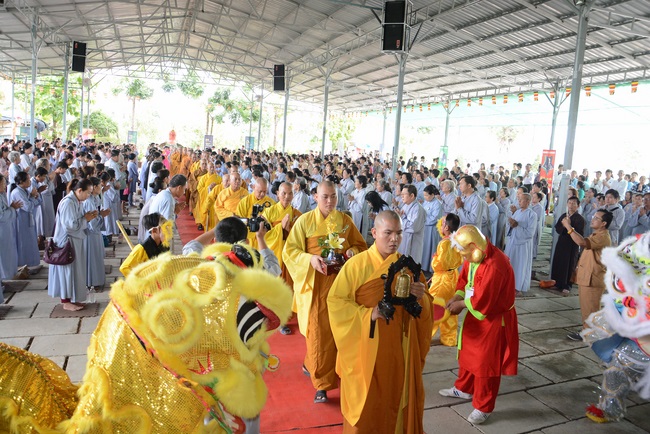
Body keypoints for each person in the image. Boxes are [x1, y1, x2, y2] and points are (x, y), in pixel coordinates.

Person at [327, 211, 433, 432]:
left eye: (399, 233)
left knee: (396, 397)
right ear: (374, 232)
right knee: (367, 407)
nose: (394, 239)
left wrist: (420, 296)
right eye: (388, 233)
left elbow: (424, 310)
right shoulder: (356, 265)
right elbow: (336, 302)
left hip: (399, 348)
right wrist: (368, 315)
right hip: (365, 348)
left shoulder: (408, 267)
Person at [283, 181, 367, 404]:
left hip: (342, 285)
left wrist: (351, 251)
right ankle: (322, 384)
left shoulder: (345, 221)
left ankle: (326, 367)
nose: (330, 201)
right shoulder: (305, 221)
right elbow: (290, 251)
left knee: (341, 331)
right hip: (317, 286)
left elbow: (361, 246)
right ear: (315, 197)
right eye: (325, 197)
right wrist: (310, 259)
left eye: (333, 197)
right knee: (319, 333)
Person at [439, 225, 518, 425]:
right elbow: (464, 280)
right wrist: (457, 296)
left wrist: (460, 305)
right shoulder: (474, 255)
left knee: (486, 363)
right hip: (475, 312)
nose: (464, 258)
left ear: (474, 246)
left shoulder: (495, 265)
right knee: (467, 350)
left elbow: (485, 300)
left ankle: (484, 406)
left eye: (465, 253)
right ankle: (464, 388)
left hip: (493, 318)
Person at [563, 209, 613, 341]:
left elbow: (581, 242)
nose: (593, 219)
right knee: (587, 307)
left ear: (604, 223)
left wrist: (568, 227)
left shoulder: (603, 237)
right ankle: (589, 331)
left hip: (593, 278)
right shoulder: (597, 234)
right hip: (587, 276)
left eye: (596, 218)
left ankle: (590, 333)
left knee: (591, 308)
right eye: (593, 216)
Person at [48, 179, 96, 311]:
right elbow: (70, 226)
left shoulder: (77, 201)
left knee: (75, 270)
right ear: (79, 190)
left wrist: (87, 217)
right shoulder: (68, 203)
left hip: (75, 240)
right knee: (67, 271)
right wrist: (86, 219)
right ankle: (66, 301)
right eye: (88, 193)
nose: (88, 196)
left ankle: (74, 298)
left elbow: (77, 221)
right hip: (66, 241)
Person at [428, 213, 462, 346]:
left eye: (442, 224)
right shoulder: (456, 240)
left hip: (442, 280)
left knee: (434, 307)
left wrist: (434, 259)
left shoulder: (444, 243)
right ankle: (449, 338)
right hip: (453, 277)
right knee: (450, 308)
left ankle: (424, 335)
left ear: (446, 227)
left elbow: (439, 264)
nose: (440, 226)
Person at [549, 197, 585, 294]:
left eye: (574, 203)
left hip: (572, 244)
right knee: (559, 261)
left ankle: (567, 285)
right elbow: (557, 228)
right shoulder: (564, 215)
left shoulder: (580, 219)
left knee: (569, 264)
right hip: (562, 242)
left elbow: (580, 233)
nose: (571, 205)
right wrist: (564, 225)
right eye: (569, 203)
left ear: (578, 206)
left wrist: (569, 225)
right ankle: (557, 283)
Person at [504, 193, 537, 295]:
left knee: (520, 265)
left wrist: (517, 226)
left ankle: (517, 287)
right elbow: (510, 226)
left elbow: (530, 233)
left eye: (521, 200)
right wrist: (510, 223)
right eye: (519, 199)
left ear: (528, 201)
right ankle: (508, 284)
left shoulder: (532, 215)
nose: (519, 201)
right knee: (510, 263)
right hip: (512, 242)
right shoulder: (517, 212)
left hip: (522, 245)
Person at [10, 171, 42, 270]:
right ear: (22, 182)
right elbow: (27, 207)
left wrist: (35, 197)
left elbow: (38, 202)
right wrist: (32, 197)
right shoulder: (17, 192)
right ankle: (24, 264)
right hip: (21, 221)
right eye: (28, 180)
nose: (30, 181)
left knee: (31, 241)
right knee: (24, 243)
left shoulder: (25, 191)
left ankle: (32, 263)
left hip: (28, 219)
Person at [84, 177, 110, 291]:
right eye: (100, 186)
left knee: (96, 256)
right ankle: (92, 281)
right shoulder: (89, 201)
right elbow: (92, 223)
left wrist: (100, 214)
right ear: (94, 187)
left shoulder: (94, 198)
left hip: (95, 233)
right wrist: (101, 215)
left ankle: (96, 280)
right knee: (92, 258)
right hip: (91, 234)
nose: (101, 187)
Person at [235, 177, 276, 248]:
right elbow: (239, 222)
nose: (262, 194)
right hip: (248, 239)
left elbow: (274, 224)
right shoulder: (245, 201)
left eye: (265, 191)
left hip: (265, 240)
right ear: (254, 187)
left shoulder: (271, 203)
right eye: (260, 191)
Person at [0, 175, 19, 301]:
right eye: (2, 183)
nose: (4, 186)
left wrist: (11, 208)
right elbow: (1, 216)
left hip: (6, 229)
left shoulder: (2, 195)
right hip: (2, 230)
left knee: (6, 255)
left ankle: (2, 280)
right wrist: (12, 209)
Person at [397, 184, 426, 264]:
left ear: (412, 195)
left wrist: (402, 218)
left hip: (413, 243)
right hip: (404, 239)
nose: (402, 196)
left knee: (411, 265)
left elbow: (413, 227)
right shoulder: (405, 205)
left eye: (404, 194)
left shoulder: (418, 209)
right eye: (401, 194)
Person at [421, 185, 442, 274]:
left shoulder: (437, 204)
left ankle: (430, 267)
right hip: (425, 228)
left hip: (432, 229)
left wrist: (423, 220)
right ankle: (423, 265)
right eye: (424, 195)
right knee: (424, 247)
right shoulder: (425, 202)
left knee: (431, 247)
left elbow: (434, 218)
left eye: (427, 195)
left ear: (432, 195)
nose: (425, 197)